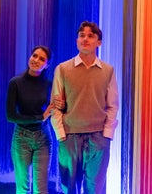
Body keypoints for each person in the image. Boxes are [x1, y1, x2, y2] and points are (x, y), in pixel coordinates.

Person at [50, 21, 119, 194]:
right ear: (76, 41)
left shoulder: (108, 71)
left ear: (99, 42)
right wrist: (61, 135)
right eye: (82, 35)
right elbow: (55, 105)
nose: (85, 39)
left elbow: (112, 105)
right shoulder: (63, 69)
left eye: (91, 36)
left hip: (98, 138)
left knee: (94, 188)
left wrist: (107, 135)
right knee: (68, 187)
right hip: (70, 137)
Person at [6, 45, 64, 194]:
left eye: (42, 59)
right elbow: (11, 116)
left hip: (43, 138)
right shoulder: (15, 83)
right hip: (21, 138)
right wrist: (40, 117)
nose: (36, 60)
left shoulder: (50, 85)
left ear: (47, 65)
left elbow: (59, 108)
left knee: (41, 189)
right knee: (23, 188)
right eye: (34, 56)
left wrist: (61, 106)